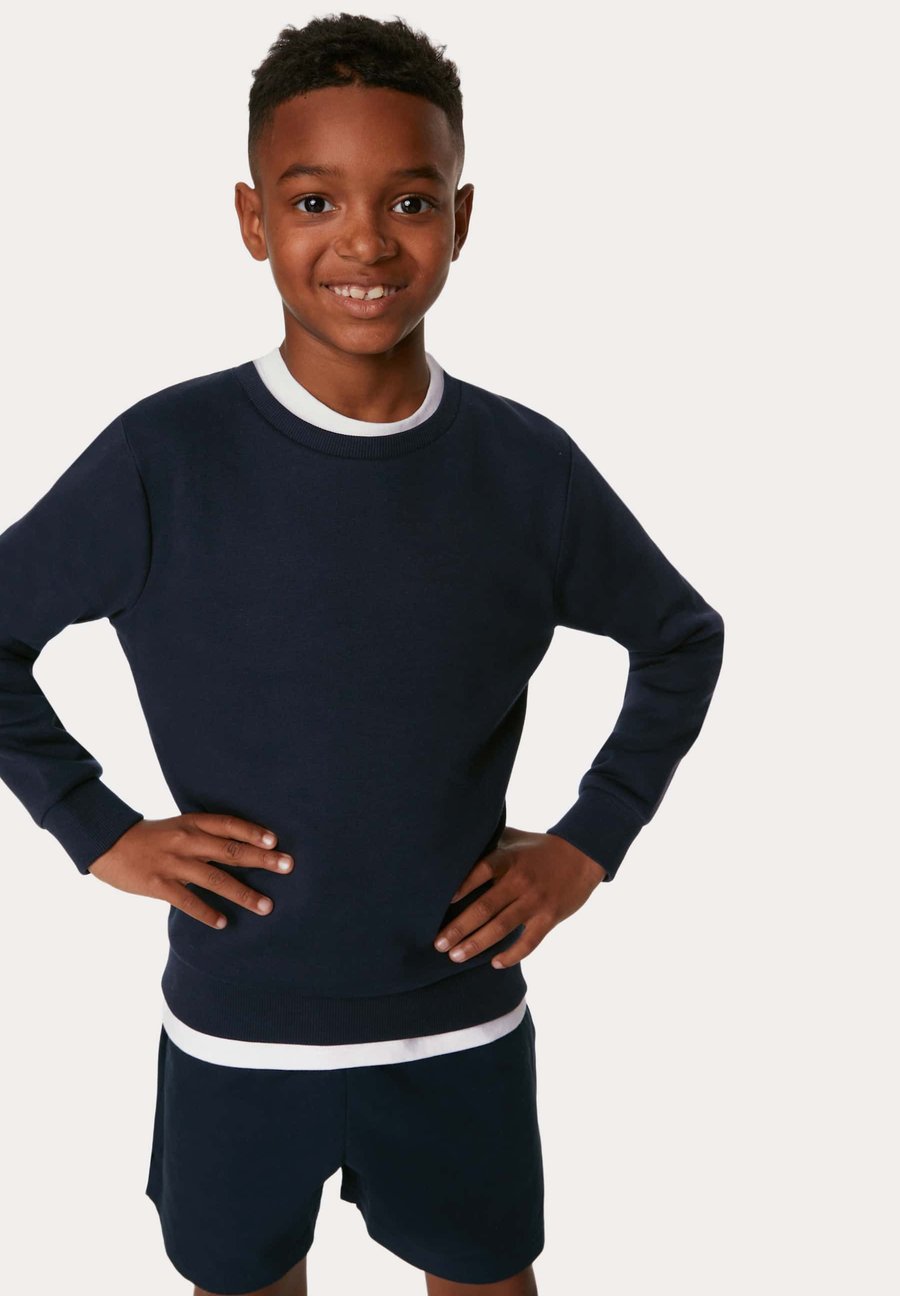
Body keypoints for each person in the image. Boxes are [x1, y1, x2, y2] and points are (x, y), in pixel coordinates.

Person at [0, 13, 725, 1296]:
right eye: (314, 200)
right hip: (238, 1031)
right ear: (251, 219)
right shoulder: (166, 459)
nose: (366, 241)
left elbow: (680, 638)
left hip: (459, 1020)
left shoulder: (525, 469)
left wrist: (586, 845)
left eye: (411, 200)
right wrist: (93, 826)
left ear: (462, 217)